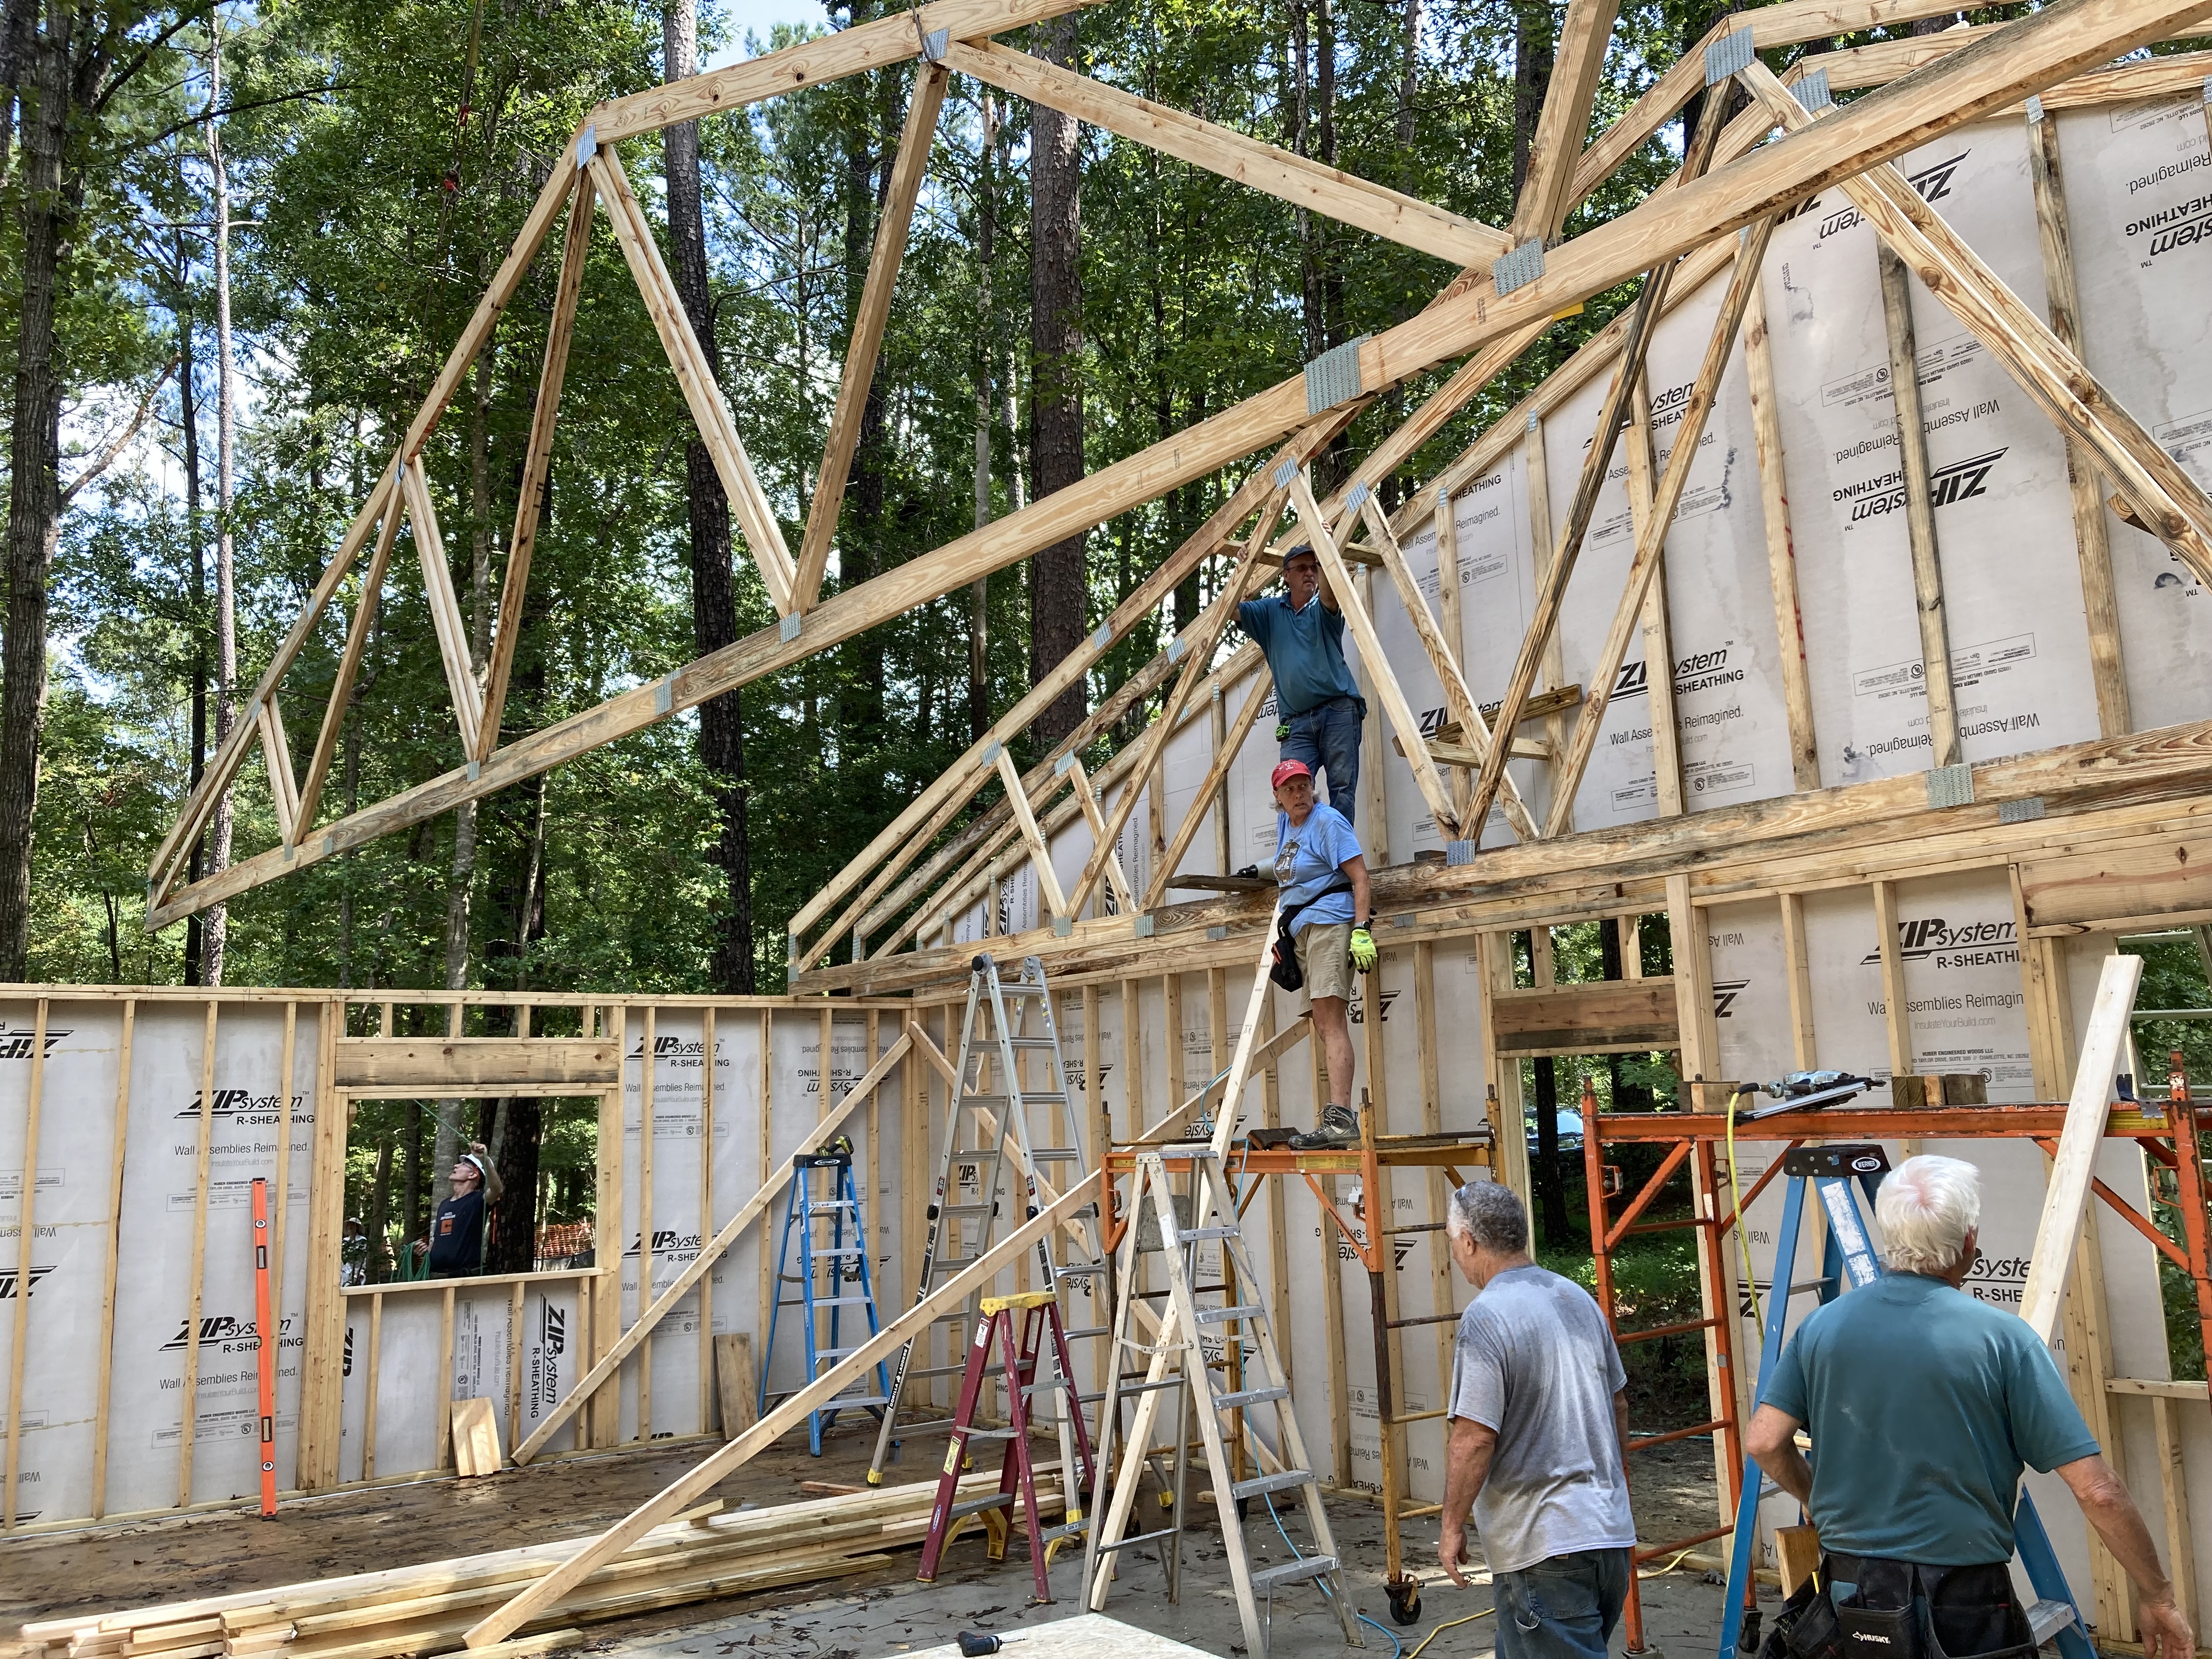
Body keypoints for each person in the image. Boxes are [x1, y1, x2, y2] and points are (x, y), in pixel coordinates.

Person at [1747, 1155, 2192, 1659]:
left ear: (1889, 1235)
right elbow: (2098, 1491)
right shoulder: (2004, 1340)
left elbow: (1764, 1442)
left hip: (1852, 1593)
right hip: (1963, 1607)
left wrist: (1817, 1498)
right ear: (1969, 1242)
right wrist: (2158, 1596)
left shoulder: (1821, 1328)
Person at [1439, 1180, 1635, 1659]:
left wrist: (1451, 1526)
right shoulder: (1575, 1299)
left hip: (1545, 1546)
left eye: (1453, 1243)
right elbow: (1619, 1405)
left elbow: (1474, 1437)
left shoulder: (1487, 1317)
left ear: (1469, 1241)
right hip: (1606, 1537)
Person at [1270, 759, 1374, 1149]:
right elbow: (1292, 866)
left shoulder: (1328, 821)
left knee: (1332, 1024)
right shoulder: (1287, 823)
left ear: (1313, 788)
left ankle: (1341, 1120)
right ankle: (1337, 1117)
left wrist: (1361, 931)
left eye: (1305, 786)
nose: (1300, 794)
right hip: (1304, 930)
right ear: (1278, 797)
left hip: (1331, 924)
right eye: (1291, 789)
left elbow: (1360, 877)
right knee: (1323, 1023)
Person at [1239, 544, 1365, 823]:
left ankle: (1341, 863)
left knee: (1342, 790)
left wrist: (1327, 548)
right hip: (1296, 723)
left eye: (1314, 567)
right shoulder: (1271, 612)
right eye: (1301, 568)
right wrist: (1242, 569)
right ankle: (1297, 863)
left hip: (1338, 711)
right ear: (1286, 575)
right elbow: (1232, 611)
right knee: (1289, 791)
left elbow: (1331, 596)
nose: (1309, 573)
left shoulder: (1322, 607)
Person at [421, 1144, 505, 1280]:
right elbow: (438, 1242)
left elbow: (497, 1190)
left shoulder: (479, 1200)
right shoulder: (444, 1205)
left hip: (464, 1279)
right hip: (435, 1277)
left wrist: (486, 1159)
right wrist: (425, 1251)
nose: (456, 1166)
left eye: (463, 1165)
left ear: (473, 1174)